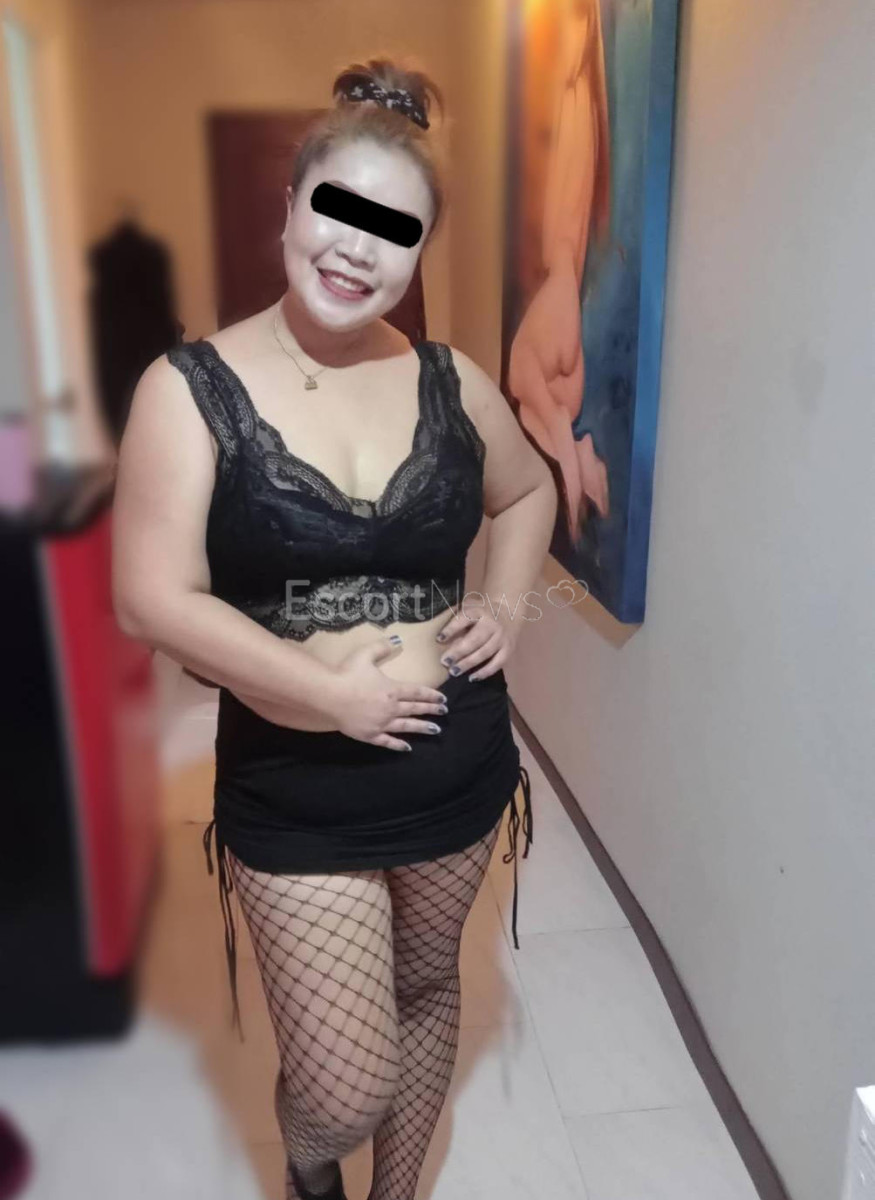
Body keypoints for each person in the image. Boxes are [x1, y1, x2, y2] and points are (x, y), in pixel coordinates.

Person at [111, 55, 557, 1200]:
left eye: (394, 230)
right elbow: (150, 599)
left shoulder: (450, 381)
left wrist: (503, 606)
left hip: (455, 758)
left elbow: (527, 491)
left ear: (420, 252)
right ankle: (314, 1170)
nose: (358, 249)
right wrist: (328, 698)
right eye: (337, 209)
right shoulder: (189, 388)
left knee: (427, 988)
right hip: (296, 779)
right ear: (291, 206)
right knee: (341, 1086)